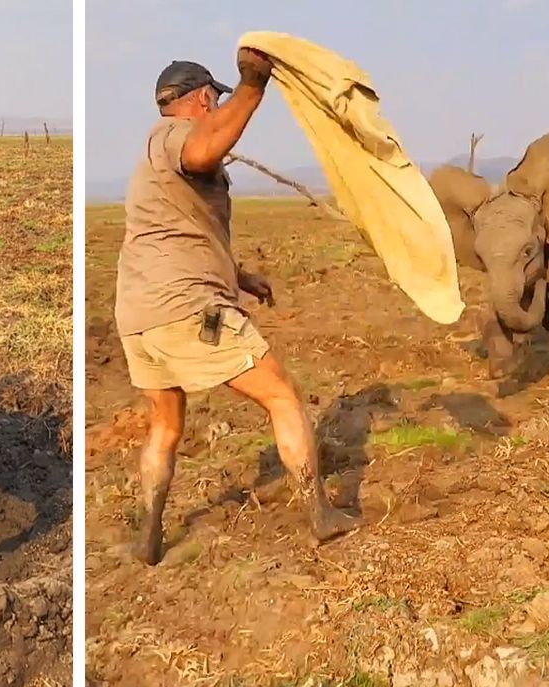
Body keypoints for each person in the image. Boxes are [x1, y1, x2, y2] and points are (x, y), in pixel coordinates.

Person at [113, 48, 362, 565]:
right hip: (187, 308)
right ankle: (320, 514)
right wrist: (253, 86)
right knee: (283, 396)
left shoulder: (152, 157)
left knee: (166, 426)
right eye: (217, 98)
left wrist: (241, 276)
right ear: (203, 98)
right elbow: (204, 150)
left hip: (139, 317)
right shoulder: (175, 137)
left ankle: (149, 535)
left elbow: (183, 232)